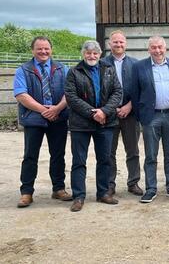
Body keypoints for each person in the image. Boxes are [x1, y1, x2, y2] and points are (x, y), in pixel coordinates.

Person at [14, 36, 72, 208]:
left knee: (58, 154)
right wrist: (44, 110)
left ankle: (58, 188)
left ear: (51, 49)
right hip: (34, 119)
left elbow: (69, 92)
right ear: (33, 50)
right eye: (39, 48)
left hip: (58, 118)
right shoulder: (23, 70)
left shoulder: (63, 69)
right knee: (30, 156)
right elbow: (21, 94)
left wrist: (56, 109)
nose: (43, 51)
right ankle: (26, 192)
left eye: (46, 48)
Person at [65, 40, 123, 212]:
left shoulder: (109, 70)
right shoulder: (74, 72)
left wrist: (104, 112)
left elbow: (117, 92)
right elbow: (71, 97)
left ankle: (104, 193)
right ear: (83, 54)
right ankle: (78, 196)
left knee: (105, 159)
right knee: (79, 161)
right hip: (81, 124)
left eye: (95, 53)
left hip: (106, 122)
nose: (92, 56)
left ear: (99, 54)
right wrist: (93, 113)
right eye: (88, 53)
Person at [131, 36, 169, 203]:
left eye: (160, 47)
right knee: (151, 155)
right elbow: (135, 93)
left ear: (166, 48)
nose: (157, 50)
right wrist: (140, 116)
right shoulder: (139, 67)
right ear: (148, 49)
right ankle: (151, 189)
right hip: (151, 116)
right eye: (153, 47)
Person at [101, 30, 143, 197]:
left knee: (132, 150)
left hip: (130, 113)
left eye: (121, 42)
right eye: (115, 42)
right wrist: (109, 109)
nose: (118, 45)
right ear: (109, 44)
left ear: (126, 44)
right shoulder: (101, 64)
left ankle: (133, 182)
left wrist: (129, 106)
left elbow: (141, 88)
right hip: (109, 114)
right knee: (108, 152)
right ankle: (109, 184)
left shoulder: (136, 64)